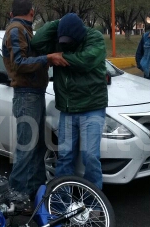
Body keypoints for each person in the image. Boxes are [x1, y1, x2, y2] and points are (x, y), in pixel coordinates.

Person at [31, 13, 108, 189]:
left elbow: (86, 61)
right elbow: (36, 43)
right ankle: (61, 201)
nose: (65, 44)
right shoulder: (60, 38)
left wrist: (59, 57)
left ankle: (93, 202)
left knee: (90, 156)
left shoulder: (94, 37)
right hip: (67, 108)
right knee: (65, 156)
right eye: (62, 40)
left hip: (92, 107)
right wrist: (59, 23)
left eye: (69, 40)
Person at [1, 0, 64, 208]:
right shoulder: (17, 30)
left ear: (12, 12)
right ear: (32, 11)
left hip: (34, 93)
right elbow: (19, 63)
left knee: (37, 146)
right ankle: (16, 193)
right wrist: (47, 58)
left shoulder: (22, 29)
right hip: (26, 94)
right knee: (26, 147)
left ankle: (36, 190)